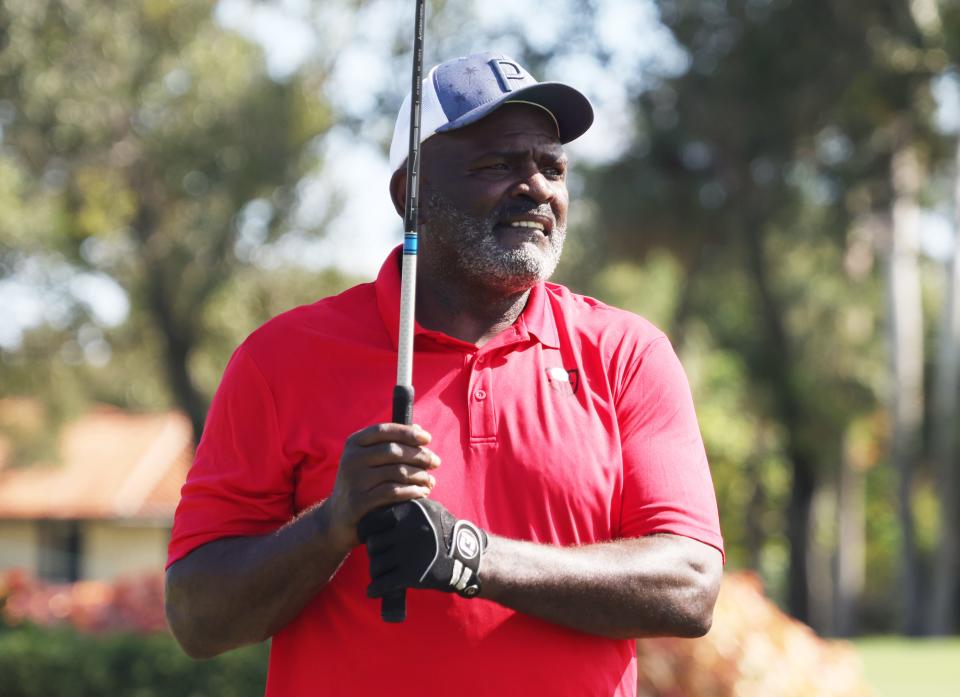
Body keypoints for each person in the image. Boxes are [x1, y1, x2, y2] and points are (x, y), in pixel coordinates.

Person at [165, 51, 724, 697]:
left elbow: (689, 586)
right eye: (498, 164)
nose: (537, 187)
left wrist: (473, 557)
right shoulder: (280, 359)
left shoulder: (625, 353)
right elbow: (196, 618)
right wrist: (333, 522)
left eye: (552, 167)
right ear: (412, 193)